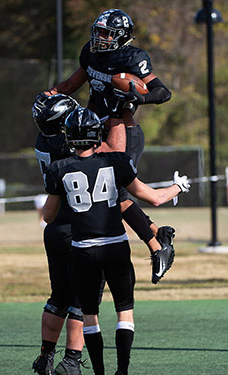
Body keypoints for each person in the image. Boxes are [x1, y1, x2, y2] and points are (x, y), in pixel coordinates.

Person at [42, 107, 190, 375]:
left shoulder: (58, 169)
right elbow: (152, 197)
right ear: (96, 135)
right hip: (115, 247)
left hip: (83, 250)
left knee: (89, 315)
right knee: (124, 312)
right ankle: (122, 371)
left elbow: (49, 216)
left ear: (70, 137)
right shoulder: (117, 162)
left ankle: (98, 372)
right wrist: (178, 187)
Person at [40, 8, 172, 264]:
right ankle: (158, 237)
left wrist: (140, 98)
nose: (100, 37)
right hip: (94, 130)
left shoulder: (132, 58)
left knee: (117, 192)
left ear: (122, 37)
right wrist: (48, 96)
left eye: (107, 33)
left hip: (124, 130)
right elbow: (69, 85)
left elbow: (163, 92)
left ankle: (157, 247)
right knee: (112, 193)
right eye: (98, 31)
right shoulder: (90, 53)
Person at [32, 93, 127, 375]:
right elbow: (113, 151)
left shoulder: (44, 140)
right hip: (78, 228)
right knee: (83, 299)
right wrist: (117, 113)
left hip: (54, 229)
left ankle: (45, 357)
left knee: (58, 296)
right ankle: (72, 360)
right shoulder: (68, 146)